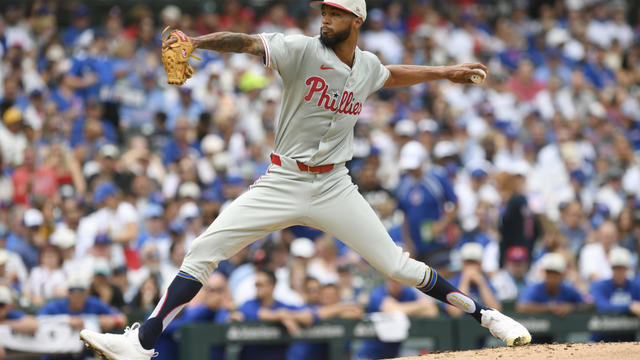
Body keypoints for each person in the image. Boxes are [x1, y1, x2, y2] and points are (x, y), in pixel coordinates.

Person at [80, 1, 531, 358]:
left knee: (396, 265)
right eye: (323, 10)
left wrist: (446, 73)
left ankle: (489, 316)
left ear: (355, 20)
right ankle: (141, 342)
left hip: (335, 186)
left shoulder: (367, 66)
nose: (325, 17)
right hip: (284, 179)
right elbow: (247, 42)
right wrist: (197, 41)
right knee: (203, 249)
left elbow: (390, 75)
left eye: (334, 13)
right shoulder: (302, 50)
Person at [231, 269, 312, 360]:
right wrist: (281, 316)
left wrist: (287, 316)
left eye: (260, 285)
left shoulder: (282, 307)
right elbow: (260, 314)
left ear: (272, 286)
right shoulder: (248, 304)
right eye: (256, 284)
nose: (257, 288)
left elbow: (308, 316)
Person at [356, 279, 438, 360]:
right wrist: (417, 307)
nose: (395, 283)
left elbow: (432, 311)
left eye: (398, 280)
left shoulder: (408, 292)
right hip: (370, 354)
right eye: (392, 280)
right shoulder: (377, 293)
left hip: (394, 353)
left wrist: (401, 308)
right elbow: (393, 310)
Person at [590, 247, 640, 342]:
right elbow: (602, 306)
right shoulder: (600, 286)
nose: (619, 271)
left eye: (622, 267)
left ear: (627, 268)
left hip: (628, 340)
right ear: (611, 268)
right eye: (616, 267)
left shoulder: (636, 286)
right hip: (601, 339)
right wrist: (629, 306)